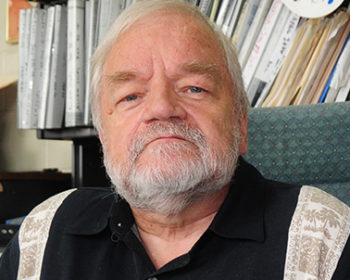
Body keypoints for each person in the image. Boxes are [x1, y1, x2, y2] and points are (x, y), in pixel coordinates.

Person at [1, 0, 350, 279]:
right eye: (131, 96)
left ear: (241, 124)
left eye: (194, 88)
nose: (162, 108)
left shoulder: (325, 241)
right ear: (104, 136)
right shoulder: (42, 235)